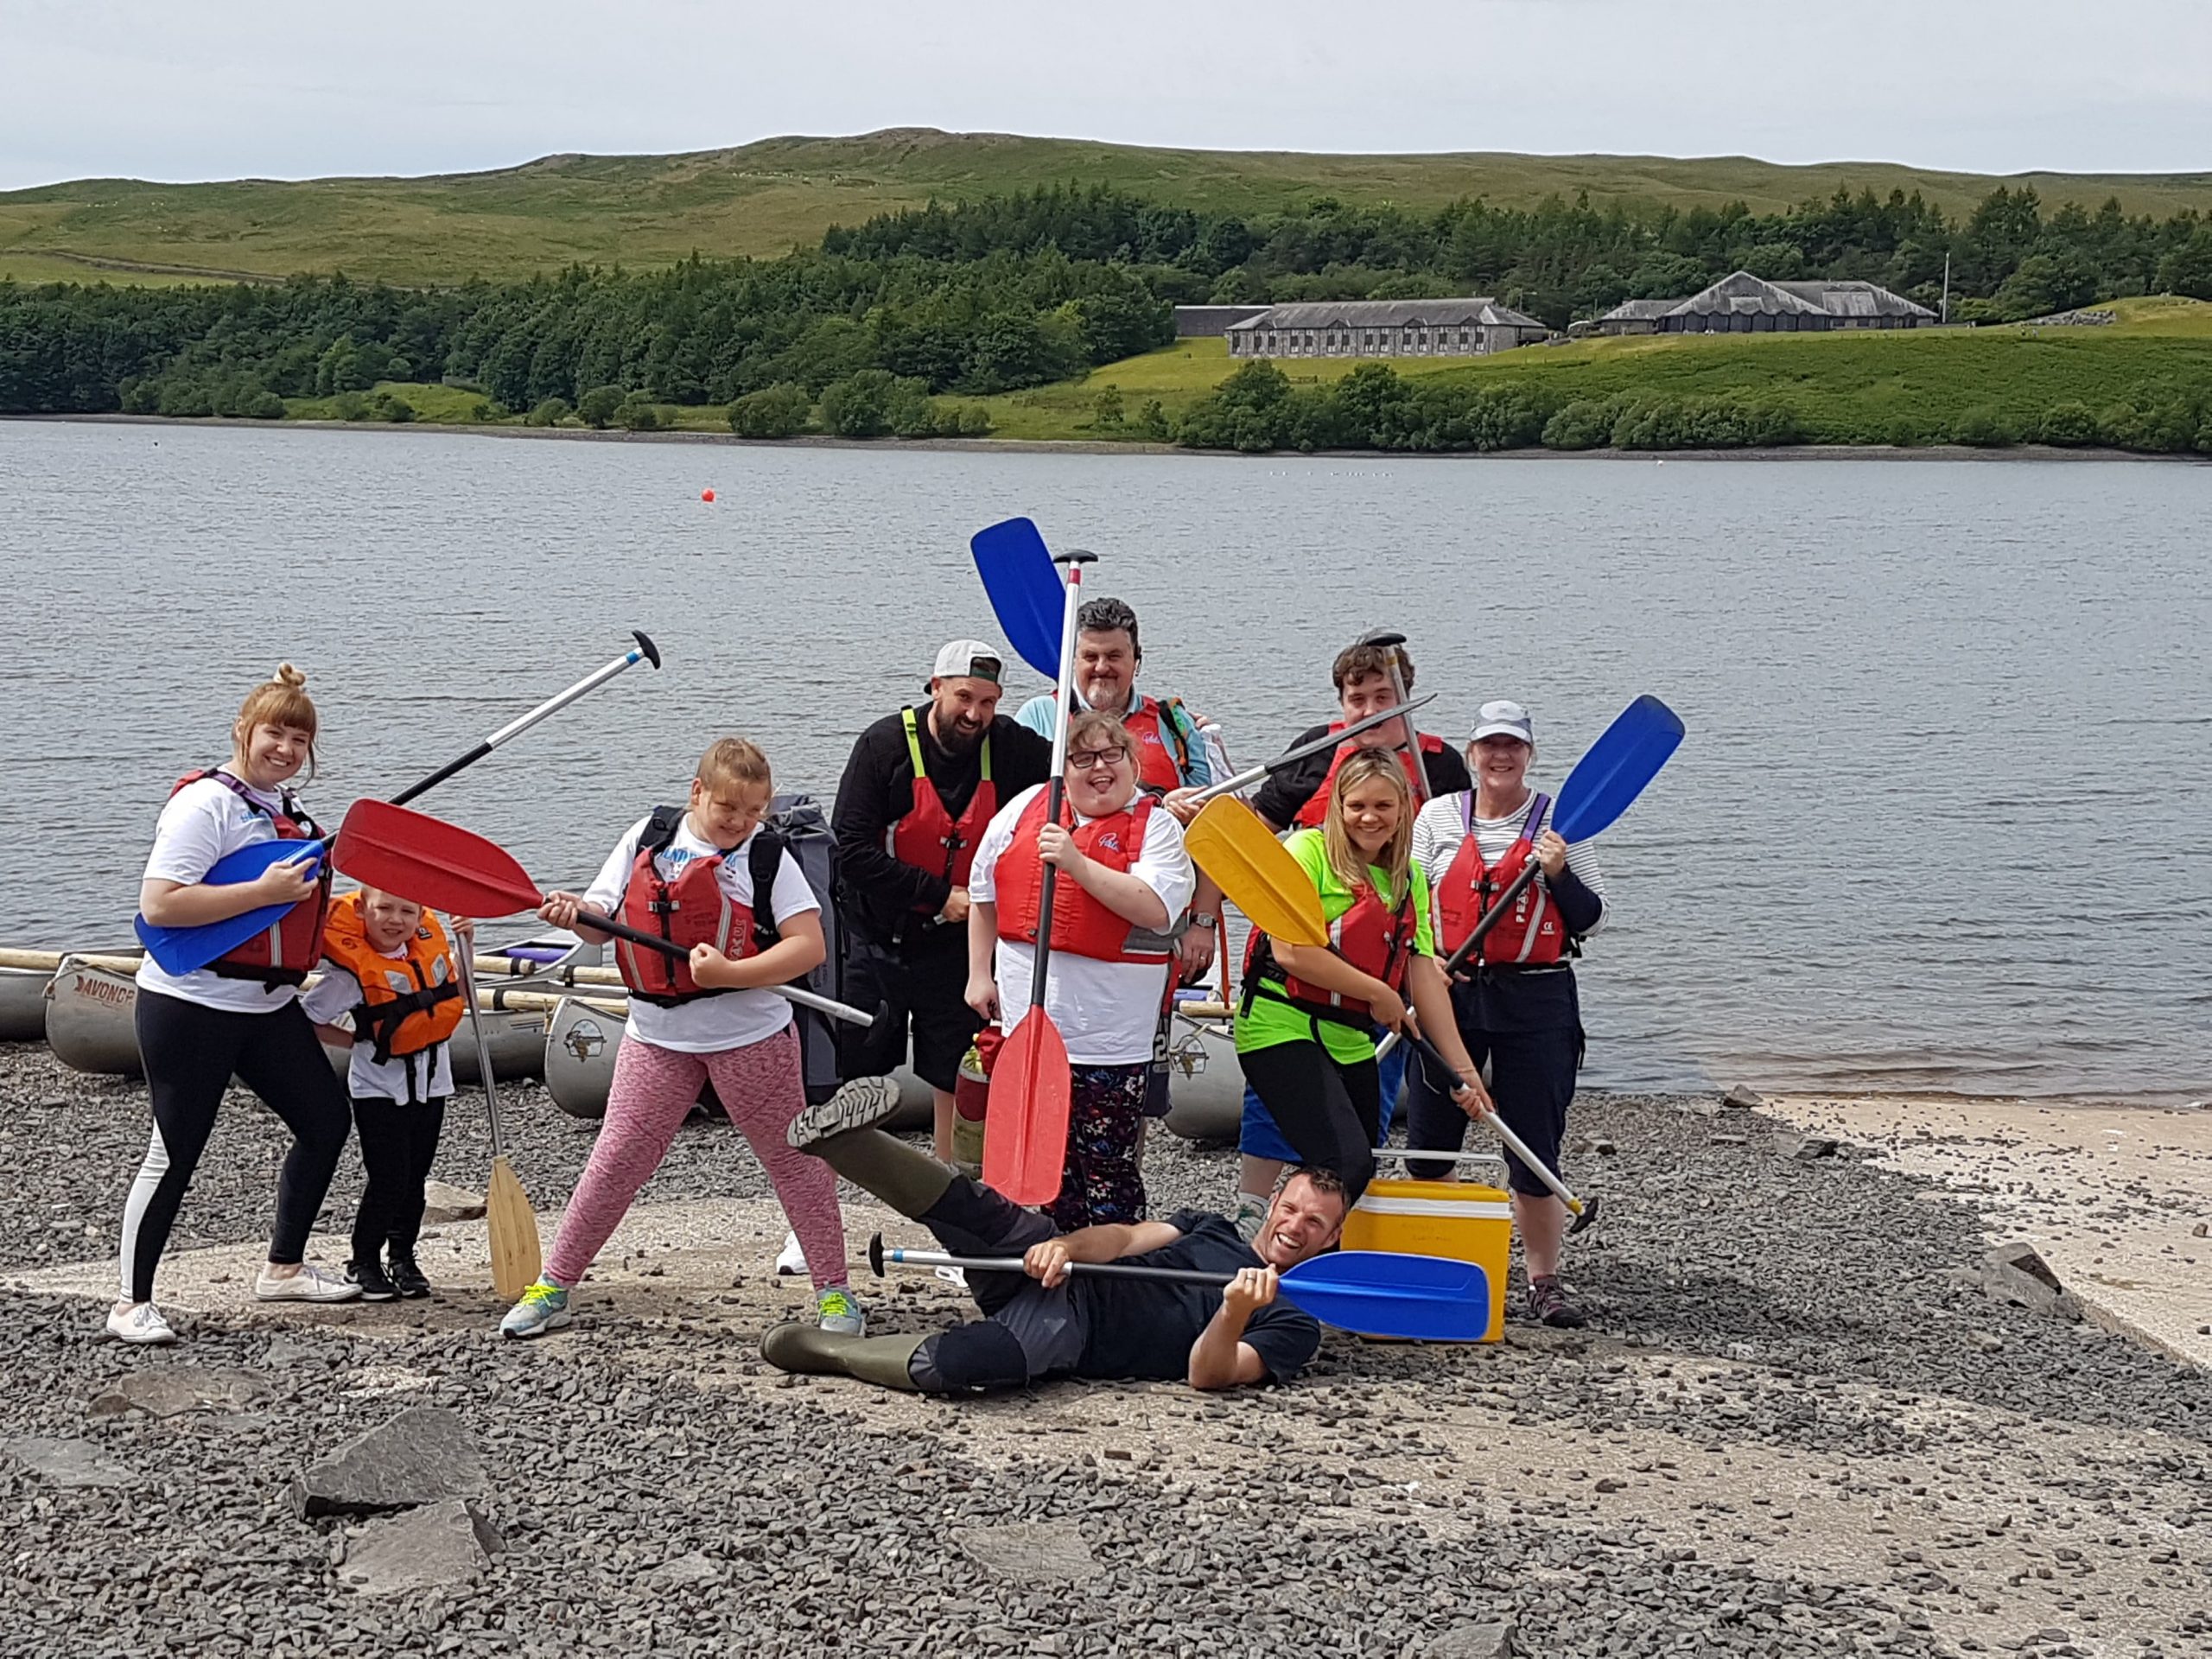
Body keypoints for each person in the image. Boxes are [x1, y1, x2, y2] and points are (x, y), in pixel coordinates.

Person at [500, 737, 863, 1339]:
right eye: (728, 809)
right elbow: (599, 922)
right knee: (616, 1160)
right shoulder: (649, 836)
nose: (741, 823)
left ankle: (835, 1294)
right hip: (657, 1037)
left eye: (755, 811)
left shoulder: (767, 856)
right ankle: (554, 1285)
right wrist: (573, 913)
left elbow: (808, 946)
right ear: (697, 793)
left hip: (751, 1038)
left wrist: (733, 974)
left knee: (794, 1161)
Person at [760, 1088, 1347, 1393]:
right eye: (1291, 1209)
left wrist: (1233, 1311)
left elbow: (1207, 1375)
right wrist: (1066, 1248)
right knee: (975, 1209)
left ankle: (826, 1352)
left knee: (960, 1364)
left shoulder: (1293, 1322)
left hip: (1072, 1331)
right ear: (1273, 1203)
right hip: (1055, 1269)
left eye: (1314, 1223)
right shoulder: (1211, 1226)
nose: (1295, 1227)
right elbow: (1122, 1238)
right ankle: (844, 1142)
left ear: (1332, 1238)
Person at [114, 664, 361, 1344]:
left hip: (265, 1007)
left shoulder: (288, 813)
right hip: (189, 1004)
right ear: (244, 731)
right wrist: (262, 893)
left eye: (299, 740)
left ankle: (284, 1268)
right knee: (176, 1149)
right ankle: (131, 1303)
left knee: (324, 1121)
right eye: (274, 734)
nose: (286, 749)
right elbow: (160, 905)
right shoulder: (206, 806)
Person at [1234, 634, 1473, 1210]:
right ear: (1339, 806)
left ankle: (1315, 1247)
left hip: (1353, 1028)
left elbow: (1418, 965)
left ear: (1406, 812)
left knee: (1355, 1162)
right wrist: (1379, 993)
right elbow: (1291, 950)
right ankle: (1257, 1232)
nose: (1370, 817)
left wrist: (1464, 1070)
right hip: (1284, 1016)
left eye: (1384, 807)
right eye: (1357, 806)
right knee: (1342, 1160)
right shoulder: (1307, 848)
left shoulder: (1409, 873)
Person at [1406, 700, 1608, 1329]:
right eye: (1490, 745)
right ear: (1472, 754)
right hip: (1449, 994)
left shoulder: (1562, 826)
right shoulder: (1438, 816)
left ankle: (1543, 1279)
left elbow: (1594, 920)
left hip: (1537, 998)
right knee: (1431, 1139)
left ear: (1529, 754)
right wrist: (1424, 962)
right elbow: (1408, 901)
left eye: (1513, 746)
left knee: (1533, 1143)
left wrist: (1559, 875)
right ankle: (1438, 1261)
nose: (1501, 756)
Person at [966, 709, 1194, 1229]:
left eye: (1112, 755)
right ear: (1063, 768)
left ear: (1132, 763)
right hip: (1031, 1031)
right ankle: (1057, 1255)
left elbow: (1155, 907)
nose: (1100, 768)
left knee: (1109, 1171)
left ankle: (1116, 1265)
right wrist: (979, 972)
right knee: (1049, 1170)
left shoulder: (1156, 827)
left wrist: (1076, 863)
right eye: (1083, 758)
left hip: (1110, 1041)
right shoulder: (1029, 807)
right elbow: (984, 892)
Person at [832, 641, 1052, 1160]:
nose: (975, 715)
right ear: (936, 688)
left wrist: (1153, 793)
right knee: (857, 1062)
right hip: (875, 937)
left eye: (988, 702)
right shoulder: (882, 747)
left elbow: (1081, 768)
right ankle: (847, 1174)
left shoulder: (1012, 748)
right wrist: (938, 895)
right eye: (964, 698)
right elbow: (850, 851)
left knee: (954, 1065)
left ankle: (948, 1179)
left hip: (954, 948)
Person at [1015, 595, 1231, 1116]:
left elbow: (1215, 836)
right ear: (1072, 660)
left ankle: (1126, 1155)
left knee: (1137, 1084)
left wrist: (1202, 923)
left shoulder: (1175, 727)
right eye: (1089, 656)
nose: (1101, 668)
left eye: (1114, 656)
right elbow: (1017, 823)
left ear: (1137, 660)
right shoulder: (1039, 718)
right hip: (1057, 935)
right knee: (1050, 1081)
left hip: (1148, 934)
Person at [302, 886, 475, 1301]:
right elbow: (306, 1018)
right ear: (363, 911)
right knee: (389, 1178)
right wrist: (355, 1040)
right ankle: (363, 1260)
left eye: (406, 911)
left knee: (416, 1177)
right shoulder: (350, 977)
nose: (395, 920)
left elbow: (464, 994)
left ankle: (403, 1257)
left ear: (420, 916)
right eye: (384, 909)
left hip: (432, 1083)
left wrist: (466, 943)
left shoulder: (429, 956)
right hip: (379, 1088)